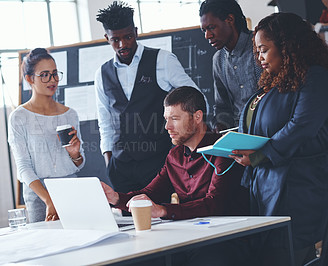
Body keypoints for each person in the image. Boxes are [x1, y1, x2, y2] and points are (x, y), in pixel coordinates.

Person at [102, 86, 250, 265]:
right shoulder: (175, 156)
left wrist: (163, 210)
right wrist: (115, 197)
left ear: (197, 117)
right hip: (187, 237)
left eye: (174, 119)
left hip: (224, 239)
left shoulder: (222, 150)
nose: (167, 127)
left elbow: (214, 204)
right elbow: (151, 193)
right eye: (166, 119)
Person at [230, 13, 328, 266]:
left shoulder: (315, 77)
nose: (259, 57)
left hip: (295, 187)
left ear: (286, 47)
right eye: (257, 51)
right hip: (263, 184)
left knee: (288, 256)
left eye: (264, 49)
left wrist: (260, 154)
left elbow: (301, 127)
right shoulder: (275, 83)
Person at [95, 1, 200, 194]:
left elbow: (195, 98)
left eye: (127, 37)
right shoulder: (102, 74)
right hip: (121, 170)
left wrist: (182, 148)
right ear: (106, 38)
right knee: (129, 224)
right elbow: (105, 122)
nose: (123, 45)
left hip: (158, 163)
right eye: (115, 40)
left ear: (135, 31)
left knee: (162, 220)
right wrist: (109, 163)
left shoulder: (162, 60)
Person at [8, 48, 85, 223]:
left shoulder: (70, 114)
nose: (52, 80)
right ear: (29, 79)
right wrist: (49, 200)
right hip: (39, 196)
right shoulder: (19, 117)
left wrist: (75, 155)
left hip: (72, 190)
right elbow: (23, 167)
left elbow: (80, 164)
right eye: (44, 75)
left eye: (55, 73)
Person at [199, 0, 262, 131]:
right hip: (240, 133)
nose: (207, 36)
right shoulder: (218, 60)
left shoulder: (260, 46)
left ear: (230, 19)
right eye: (204, 30)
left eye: (211, 27)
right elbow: (222, 106)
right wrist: (219, 125)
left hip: (269, 128)